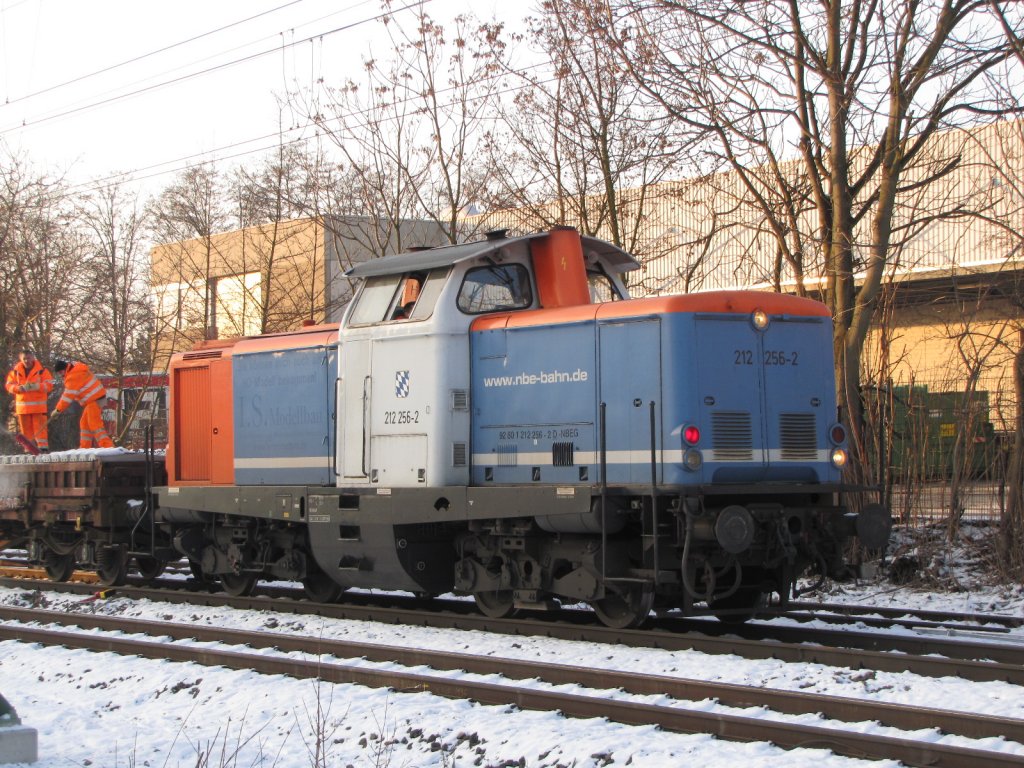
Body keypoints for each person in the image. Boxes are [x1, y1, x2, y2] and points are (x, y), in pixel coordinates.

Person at [50, 360, 114, 449]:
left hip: (94, 400)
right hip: (94, 399)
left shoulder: (73, 377)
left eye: (61, 372)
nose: (61, 375)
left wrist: (58, 410)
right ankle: (84, 448)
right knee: (84, 424)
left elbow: (67, 397)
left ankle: (107, 446)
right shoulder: (76, 368)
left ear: (65, 369)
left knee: (95, 425)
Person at [4, 349, 54, 452]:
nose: (27, 361)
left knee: (40, 429)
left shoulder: (42, 371)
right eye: (24, 359)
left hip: (38, 408)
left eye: (28, 358)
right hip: (23, 408)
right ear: (21, 359)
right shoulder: (15, 372)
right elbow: (8, 386)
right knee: (26, 431)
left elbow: (49, 386)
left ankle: (43, 448)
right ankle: (29, 450)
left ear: (33, 358)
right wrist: (18, 388)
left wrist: (37, 386)